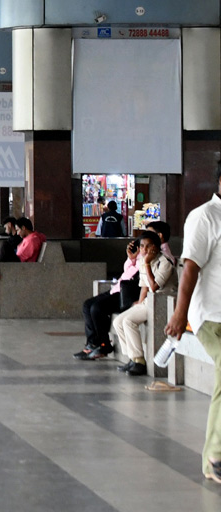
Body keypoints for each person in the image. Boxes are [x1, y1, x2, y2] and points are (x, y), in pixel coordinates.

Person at [165, 161, 221, 485]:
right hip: (210, 317)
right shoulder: (204, 217)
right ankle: (214, 457)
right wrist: (179, 314)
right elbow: (190, 269)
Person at [114, 230, 176, 375]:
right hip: (148, 300)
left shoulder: (164, 263)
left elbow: (154, 287)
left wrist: (147, 264)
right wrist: (139, 303)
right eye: (142, 246)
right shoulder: (142, 261)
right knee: (118, 321)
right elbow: (144, 287)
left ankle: (139, 361)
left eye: (149, 246)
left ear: (157, 247)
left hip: (161, 301)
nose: (145, 250)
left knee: (128, 321)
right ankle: (132, 358)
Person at [75, 234, 142, 361]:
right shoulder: (138, 258)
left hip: (126, 294)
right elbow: (127, 270)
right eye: (141, 245)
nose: (142, 247)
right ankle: (93, 343)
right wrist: (131, 258)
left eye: (145, 245)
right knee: (87, 305)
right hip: (117, 289)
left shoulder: (153, 259)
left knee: (97, 308)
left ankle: (104, 344)